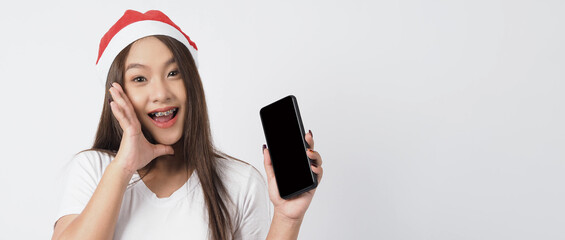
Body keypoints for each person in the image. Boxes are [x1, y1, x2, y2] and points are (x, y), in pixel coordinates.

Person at [51, 10, 323, 240]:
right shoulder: (94, 170)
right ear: (117, 95)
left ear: (192, 83)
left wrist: (287, 219)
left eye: (173, 73)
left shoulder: (240, 183)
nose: (161, 93)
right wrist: (124, 166)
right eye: (139, 79)